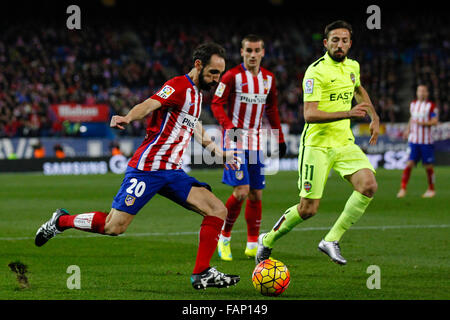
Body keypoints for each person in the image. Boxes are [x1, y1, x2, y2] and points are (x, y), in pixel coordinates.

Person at [35, 42, 241, 290]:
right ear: (198, 65)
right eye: (213, 73)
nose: (217, 79)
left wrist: (219, 153)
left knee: (217, 210)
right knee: (114, 227)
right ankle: (61, 221)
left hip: (172, 172)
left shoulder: (197, 95)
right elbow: (149, 104)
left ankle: (202, 273)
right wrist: (127, 117)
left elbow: (194, 125)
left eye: (220, 73)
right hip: (148, 168)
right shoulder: (177, 86)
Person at [256, 20, 380, 265]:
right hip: (317, 146)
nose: (340, 44)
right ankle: (267, 240)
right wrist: (348, 114)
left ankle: (331, 240)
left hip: (344, 142)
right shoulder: (315, 72)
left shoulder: (352, 66)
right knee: (308, 209)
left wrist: (374, 116)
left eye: (344, 40)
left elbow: (358, 89)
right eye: (335, 40)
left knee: (368, 185)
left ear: (350, 44)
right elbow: (309, 115)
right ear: (326, 43)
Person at [210, 34, 286, 261]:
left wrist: (279, 137)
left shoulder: (269, 79)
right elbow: (216, 103)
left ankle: (253, 243)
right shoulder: (232, 76)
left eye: (257, 51)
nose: (253, 55)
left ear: (263, 52)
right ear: (242, 52)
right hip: (234, 138)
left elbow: (272, 109)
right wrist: (229, 127)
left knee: (255, 194)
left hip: (256, 140)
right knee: (241, 191)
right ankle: (224, 236)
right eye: (248, 51)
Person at [397, 84, 438, 198]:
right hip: (414, 140)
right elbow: (411, 118)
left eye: (424, 91)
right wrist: (407, 130)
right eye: (419, 91)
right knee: (409, 163)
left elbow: (434, 121)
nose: (421, 93)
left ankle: (431, 189)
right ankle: (403, 188)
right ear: (417, 92)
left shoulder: (431, 106)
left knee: (428, 165)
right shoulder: (413, 105)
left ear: (427, 93)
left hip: (426, 141)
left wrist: (423, 123)